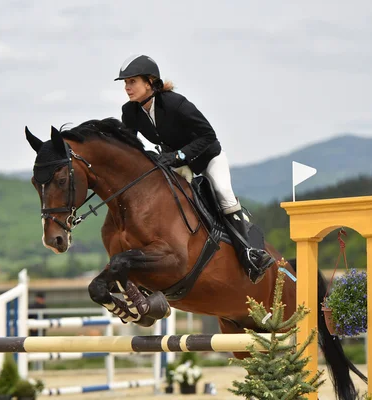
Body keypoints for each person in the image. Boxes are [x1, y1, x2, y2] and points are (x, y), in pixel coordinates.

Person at [114, 54, 276, 283]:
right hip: (177, 164)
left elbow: (208, 136)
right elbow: (129, 145)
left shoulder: (175, 103)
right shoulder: (130, 111)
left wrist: (179, 155)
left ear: (150, 82)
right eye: (125, 83)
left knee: (223, 194)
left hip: (207, 157)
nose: (127, 88)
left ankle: (250, 253)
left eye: (132, 82)